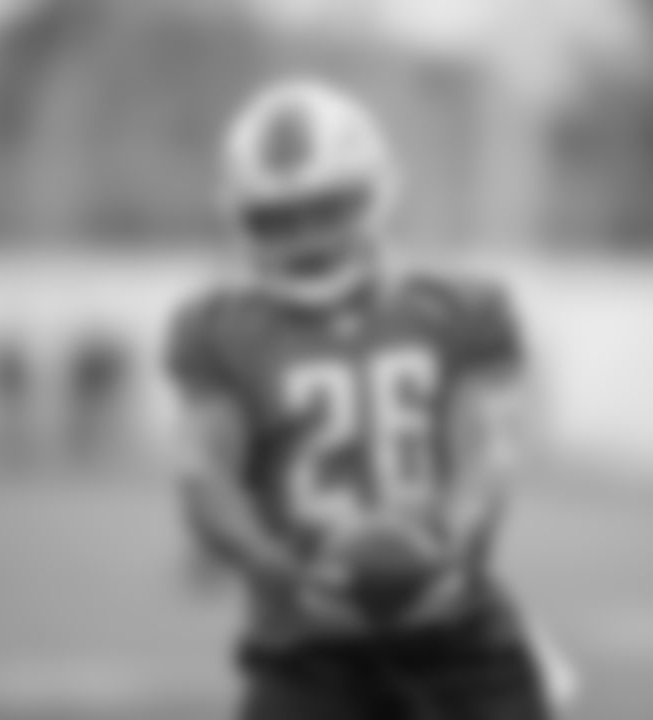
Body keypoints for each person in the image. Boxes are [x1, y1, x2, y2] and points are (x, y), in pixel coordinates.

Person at [165, 77, 572, 720]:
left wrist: (445, 548)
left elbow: (486, 451)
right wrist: (275, 566)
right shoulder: (218, 329)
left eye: (329, 209)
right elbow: (203, 472)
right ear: (240, 220)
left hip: (457, 643)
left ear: (376, 193)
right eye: (277, 218)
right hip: (305, 650)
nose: (308, 239)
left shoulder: (461, 309)